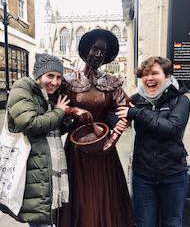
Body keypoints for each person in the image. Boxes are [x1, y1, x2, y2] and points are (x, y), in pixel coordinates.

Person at [59, 29, 134, 227]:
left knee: (103, 193)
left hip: (103, 148)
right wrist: (71, 110)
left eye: (103, 52)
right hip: (76, 151)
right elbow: (55, 108)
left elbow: (124, 112)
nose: (98, 55)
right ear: (86, 49)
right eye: (95, 48)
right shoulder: (68, 81)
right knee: (79, 194)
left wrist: (112, 140)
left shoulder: (111, 83)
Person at [116, 56, 190, 227]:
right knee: (144, 223)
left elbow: (172, 128)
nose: (149, 78)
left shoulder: (180, 100)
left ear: (167, 75)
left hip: (173, 174)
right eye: (145, 74)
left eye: (155, 73)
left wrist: (137, 113)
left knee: (172, 223)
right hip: (143, 176)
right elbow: (115, 116)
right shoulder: (136, 100)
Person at [1, 53, 73, 227]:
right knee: (41, 221)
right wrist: (59, 112)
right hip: (33, 169)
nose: (55, 82)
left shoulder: (45, 96)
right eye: (50, 76)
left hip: (42, 168)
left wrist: (65, 121)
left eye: (58, 77)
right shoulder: (22, 87)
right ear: (39, 75)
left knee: (44, 220)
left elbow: (50, 128)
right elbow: (30, 124)